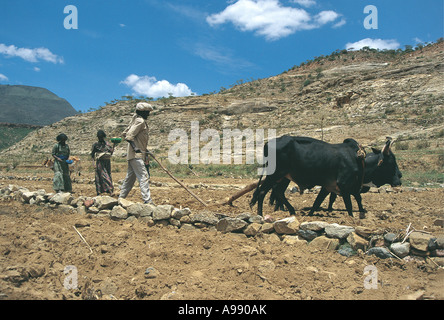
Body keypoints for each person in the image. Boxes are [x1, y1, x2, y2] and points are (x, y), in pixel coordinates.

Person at [119, 102, 154, 204]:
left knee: (130, 179)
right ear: (142, 113)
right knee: (143, 176)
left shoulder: (137, 121)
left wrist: (145, 149)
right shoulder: (140, 121)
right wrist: (136, 148)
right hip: (136, 155)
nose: (148, 114)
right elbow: (129, 136)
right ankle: (147, 201)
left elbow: (127, 134)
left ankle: (121, 198)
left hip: (134, 155)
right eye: (147, 112)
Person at [91, 130, 115, 196]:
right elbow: (92, 155)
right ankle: (109, 190)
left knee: (108, 175)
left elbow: (111, 152)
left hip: (107, 162)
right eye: (99, 137)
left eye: (101, 137)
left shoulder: (107, 144)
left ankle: (106, 191)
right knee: (103, 176)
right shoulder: (95, 145)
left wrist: (114, 145)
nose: (100, 138)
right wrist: (93, 164)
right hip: (100, 162)